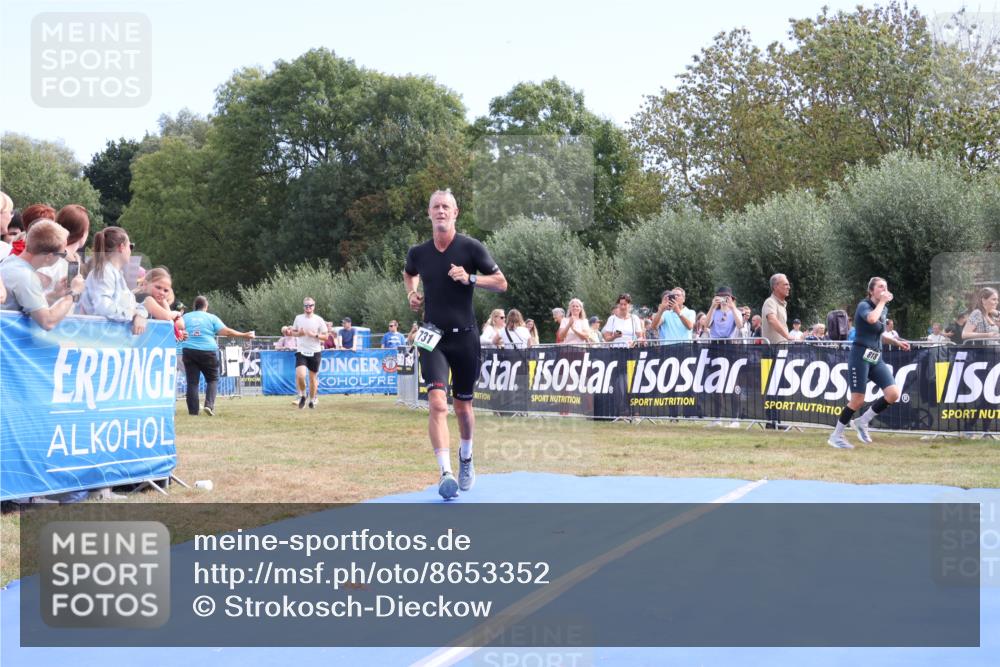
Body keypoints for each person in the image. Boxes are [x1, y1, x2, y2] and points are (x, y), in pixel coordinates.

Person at [404, 189, 507, 499]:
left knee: (462, 407)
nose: (441, 211)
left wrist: (471, 279)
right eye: (435, 206)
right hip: (432, 337)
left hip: (465, 337)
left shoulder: (471, 248)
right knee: (437, 403)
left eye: (446, 207)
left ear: (456, 212)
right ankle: (445, 472)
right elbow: (409, 275)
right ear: (429, 213)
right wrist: (412, 294)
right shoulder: (418, 252)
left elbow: (502, 283)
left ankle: (466, 457)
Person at [827, 277, 912, 450]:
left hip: (875, 357)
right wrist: (881, 303)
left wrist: (896, 342)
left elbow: (879, 333)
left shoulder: (883, 308)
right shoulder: (864, 306)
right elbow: (872, 319)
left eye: (886, 287)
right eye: (881, 287)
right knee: (857, 400)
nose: (884, 289)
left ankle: (862, 421)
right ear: (871, 291)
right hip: (860, 356)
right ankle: (836, 436)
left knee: (893, 393)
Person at [0, 220, 84, 329]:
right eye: (63, 253)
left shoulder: (10, 261)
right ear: (49, 257)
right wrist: (72, 294)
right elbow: (48, 322)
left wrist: (56, 295)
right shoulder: (26, 277)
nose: (63, 257)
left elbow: (31, 305)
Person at [181, 295, 255, 416]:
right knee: (212, 379)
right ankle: (209, 405)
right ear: (206, 307)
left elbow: (177, 329)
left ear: (194, 306)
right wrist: (244, 334)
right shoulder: (211, 318)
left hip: (189, 350)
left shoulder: (186, 317)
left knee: (192, 382)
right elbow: (226, 332)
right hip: (208, 351)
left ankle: (193, 412)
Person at [78, 226, 148, 335]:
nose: (131, 250)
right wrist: (132, 314)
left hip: (108, 340)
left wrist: (140, 314)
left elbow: (135, 306)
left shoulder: (114, 273)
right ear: (121, 247)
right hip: (97, 340)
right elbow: (104, 308)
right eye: (131, 246)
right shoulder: (104, 272)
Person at [289, 297, 328, 408]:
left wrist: (315, 335)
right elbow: (293, 332)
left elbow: (326, 336)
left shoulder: (319, 320)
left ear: (314, 306)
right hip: (301, 351)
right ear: (303, 307)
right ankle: (302, 395)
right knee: (300, 375)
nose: (308, 307)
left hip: (315, 352)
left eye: (310, 305)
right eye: (306, 305)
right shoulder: (298, 318)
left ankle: (312, 399)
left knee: (312, 379)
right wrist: (299, 334)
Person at [137, 267, 186, 340]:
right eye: (158, 287)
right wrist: (176, 313)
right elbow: (166, 316)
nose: (162, 292)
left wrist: (163, 300)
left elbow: (178, 324)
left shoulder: (156, 300)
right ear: (145, 284)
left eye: (166, 290)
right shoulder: (144, 298)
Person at [760, 273, 795, 344]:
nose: (789, 287)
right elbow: (772, 320)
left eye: (788, 284)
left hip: (781, 349)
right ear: (775, 287)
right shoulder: (770, 302)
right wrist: (787, 336)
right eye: (785, 284)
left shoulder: (781, 305)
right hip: (771, 350)